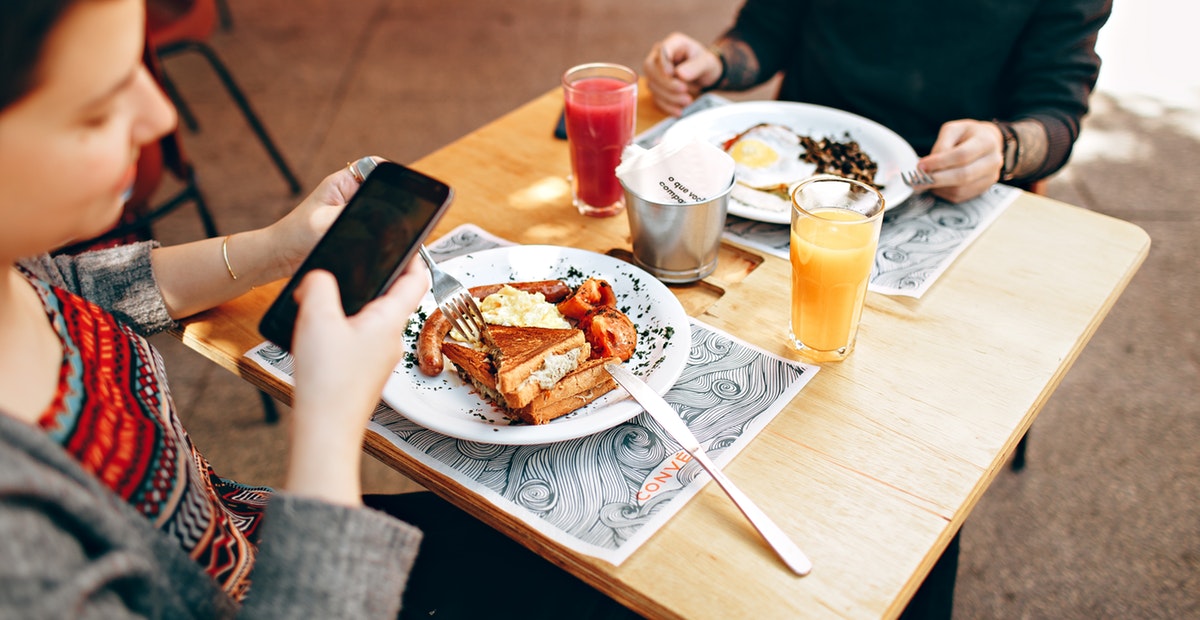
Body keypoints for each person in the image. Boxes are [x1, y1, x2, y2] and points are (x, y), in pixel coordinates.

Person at [0, 1, 635, 618]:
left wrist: (279, 247)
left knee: (594, 560)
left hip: (255, 529)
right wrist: (331, 420)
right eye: (97, 109)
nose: (160, 113)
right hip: (306, 580)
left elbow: (76, 287)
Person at [644, 0, 1113, 203]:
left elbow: (1056, 117)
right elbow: (765, 31)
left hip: (942, 187)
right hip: (784, 183)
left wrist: (1004, 146)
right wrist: (718, 63)